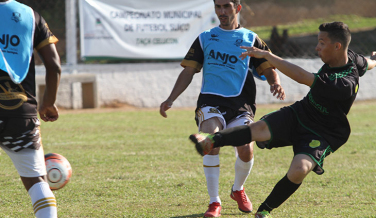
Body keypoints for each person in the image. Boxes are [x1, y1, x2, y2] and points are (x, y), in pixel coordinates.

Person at [189, 21, 376, 218]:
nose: (316, 47)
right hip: (301, 113)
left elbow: (301, 76)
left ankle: (265, 209)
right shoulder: (353, 59)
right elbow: (367, 63)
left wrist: (268, 56)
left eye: (321, 43)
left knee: (299, 169)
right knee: (258, 129)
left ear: (337, 46)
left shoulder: (341, 84)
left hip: (324, 132)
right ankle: (211, 140)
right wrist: (374, 59)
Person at [160, 0, 285, 217]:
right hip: (211, 102)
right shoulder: (205, 38)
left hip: (241, 104)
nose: (222, 11)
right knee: (211, 140)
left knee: (246, 148)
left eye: (226, 6)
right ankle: (214, 202)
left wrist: (275, 82)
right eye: (218, 6)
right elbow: (188, 72)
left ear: (237, 8)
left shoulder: (250, 38)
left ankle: (237, 189)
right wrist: (170, 99)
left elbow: (268, 66)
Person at [0, 0, 61, 217]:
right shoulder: (30, 15)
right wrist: (48, 102)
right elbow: (53, 65)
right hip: (20, 113)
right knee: (37, 182)